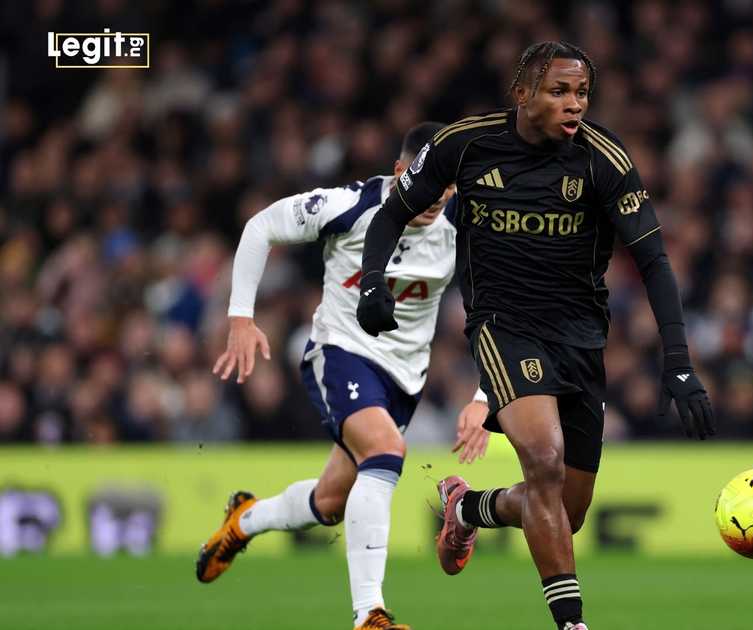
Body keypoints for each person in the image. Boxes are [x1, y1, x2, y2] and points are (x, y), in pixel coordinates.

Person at [356, 42, 715, 630]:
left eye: (581, 93)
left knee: (564, 512)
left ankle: (467, 506)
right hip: (504, 327)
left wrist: (678, 361)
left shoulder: (603, 158)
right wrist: (375, 283)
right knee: (543, 462)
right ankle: (573, 625)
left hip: (580, 338)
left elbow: (653, 261)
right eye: (559, 91)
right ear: (521, 95)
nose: (573, 104)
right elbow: (393, 211)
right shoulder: (464, 145)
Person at [196, 122, 492, 630]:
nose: (433, 197)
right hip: (341, 353)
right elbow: (261, 227)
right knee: (385, 453)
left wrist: (485, 395)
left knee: (332, 502)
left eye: (445, 186)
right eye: (423, 182)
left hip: (405, 380)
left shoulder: (465, 226)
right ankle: (369, 614)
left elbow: (499, 311)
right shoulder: (350, 205)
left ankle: (243, 520)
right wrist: (241, 318)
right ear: (401, 172)